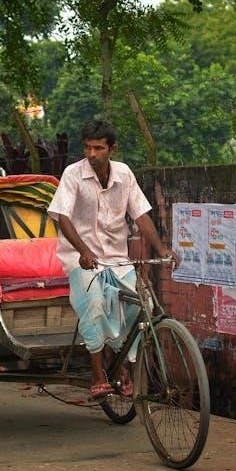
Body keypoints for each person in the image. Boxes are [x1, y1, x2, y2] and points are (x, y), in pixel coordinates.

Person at [47, 119, 178, 400]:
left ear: (112, 149)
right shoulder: (73, 174)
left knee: (142, 304)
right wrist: (82, 250)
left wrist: (161, 248)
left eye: (98, 148)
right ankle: (97, 375)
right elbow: (63, 217)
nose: (92, 154)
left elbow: (140, 215)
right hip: (81, 259)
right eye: (87, 148)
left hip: (117, 259)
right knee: (94, 303)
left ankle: (120, 362)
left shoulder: (124, 174)